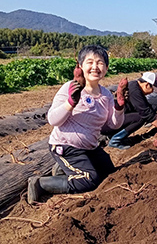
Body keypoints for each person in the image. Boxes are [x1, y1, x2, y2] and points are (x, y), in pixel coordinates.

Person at [27, 45, 126, 204]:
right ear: (80, 66)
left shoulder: (106, 95)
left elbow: (113, 125)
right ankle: (40, 184)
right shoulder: (69, 88)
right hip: (65, 146)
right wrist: (71, 102)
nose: (95, 67)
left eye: (100, 63)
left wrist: (119, 107)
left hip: (89, 148)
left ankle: (62, 170)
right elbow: (52, 120)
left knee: (110, 174)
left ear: (106, 68)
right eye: (90, 62)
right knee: (89, 180)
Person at [104, 71, 157, 149]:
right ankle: (115, 140)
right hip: (108, 124)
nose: (152, 92)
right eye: (152, 90)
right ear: (147, 85)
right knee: (140, 118)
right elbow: (147, 114)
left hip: (113, 120)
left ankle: (114, 135)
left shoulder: (135, 86)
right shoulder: (135, 91)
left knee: (138, 115)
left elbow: (149, 109)